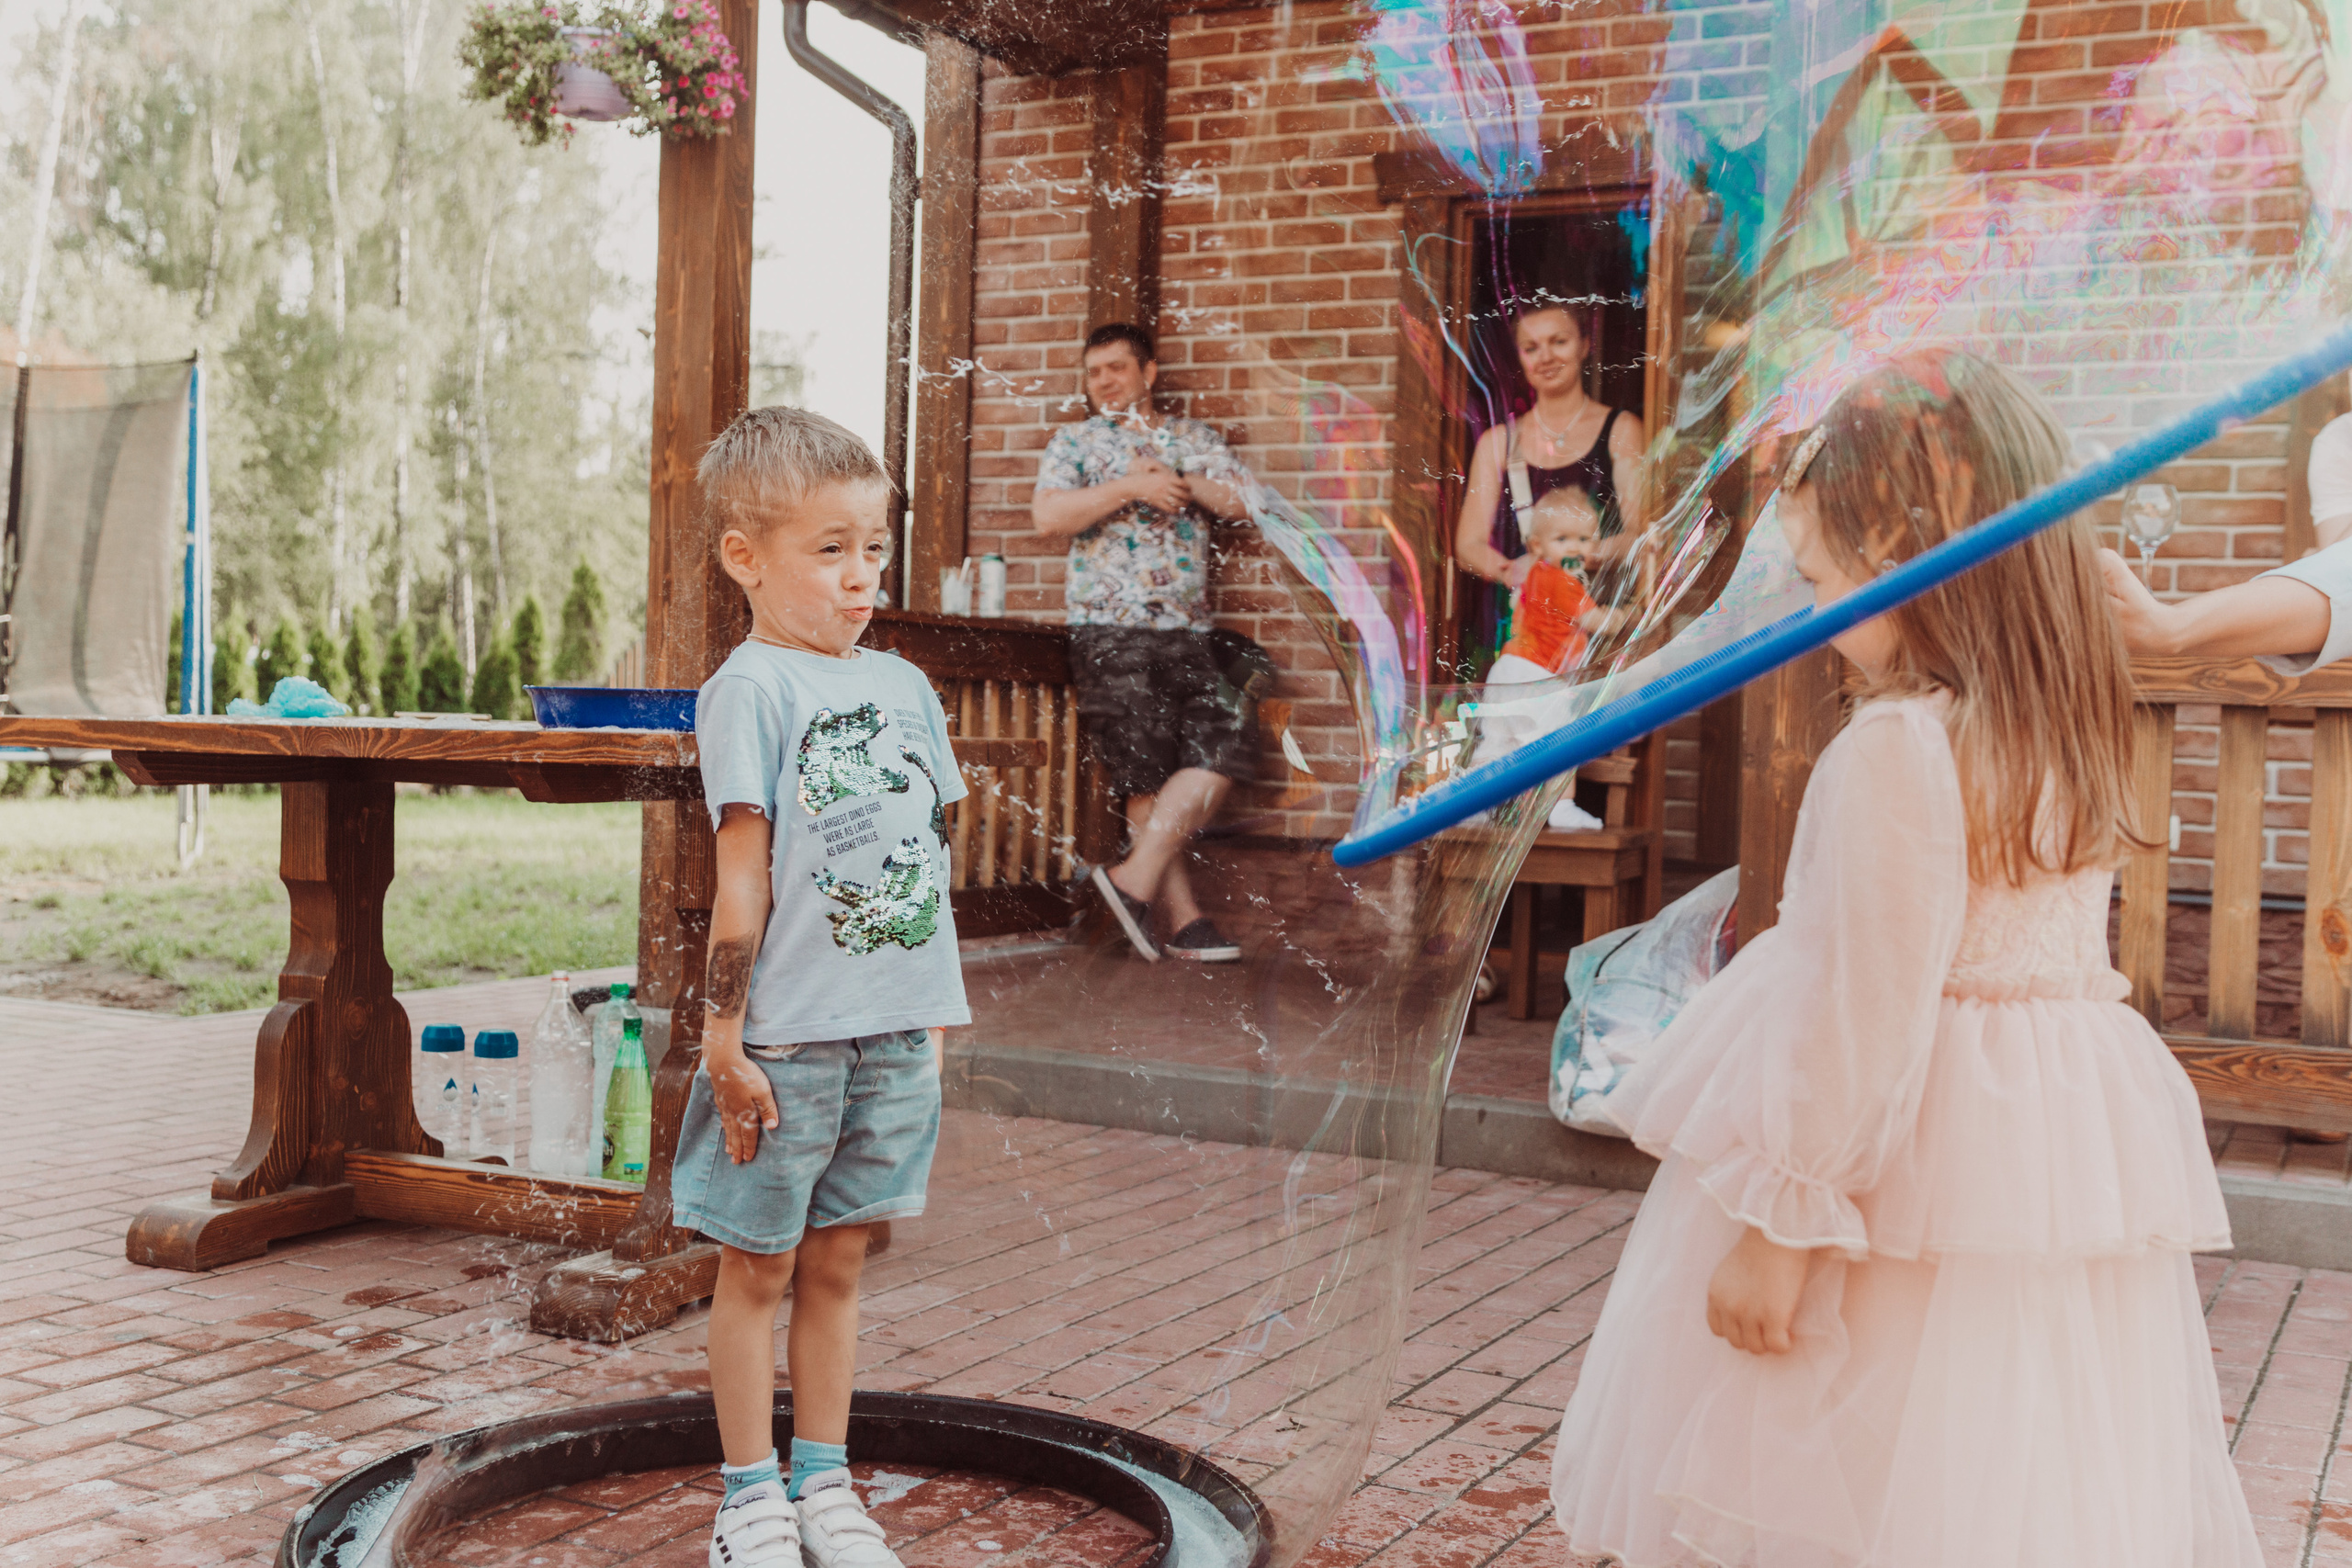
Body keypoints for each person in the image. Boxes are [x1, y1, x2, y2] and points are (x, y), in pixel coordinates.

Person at [1552, 350, 2258, 1568]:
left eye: (1826, 577)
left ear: (1913, 557)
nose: (1815, 611)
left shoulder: (1897, 748)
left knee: (1844, 1450)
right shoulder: (2067, 737)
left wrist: (1783, 1226)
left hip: (1882, 1170)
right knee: (1991, 1462)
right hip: (2021, 1165)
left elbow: (1861, 1012)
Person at [678, 406, 969, 1568]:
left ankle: (825, 1485)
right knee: (757, 1267)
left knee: (842, 1262)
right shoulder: (750, 689)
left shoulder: (904, 685)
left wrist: (932, 1015)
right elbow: (739, 880)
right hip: (786, 1042)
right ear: (745, 557)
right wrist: (722, 1038)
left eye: (875, 548)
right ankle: (749, 1498)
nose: (861, 576)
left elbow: (925, 857)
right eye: (831, 549)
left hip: (893, 1035)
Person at [1032, 321, 1257, 963]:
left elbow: (1242, 501)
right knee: (1145, 774)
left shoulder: (1191, 438)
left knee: (1226, 750)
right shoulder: (1076, 441)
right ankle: (1184, 922)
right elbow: (1048, 515)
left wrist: (1176, 476)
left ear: (1148, 372)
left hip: (1189, 631)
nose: (1103, 380)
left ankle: (1130, 882)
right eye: (1093, 371)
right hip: (1109, 629)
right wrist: (1132, 486)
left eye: (1117, 367)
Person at [2100, 400, 2352, 671]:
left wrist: (2170, 627)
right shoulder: (2339, 439)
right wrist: (2169, 627)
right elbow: (2338, 566)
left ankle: (2171, 627)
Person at [1453, 299, 1645, 604]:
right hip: (1523, 621)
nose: (1545, 357)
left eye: (1559, 342)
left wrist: (1569, 557)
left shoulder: (1622, 429)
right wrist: (1512, 572)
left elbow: (1640, 534)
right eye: (1531, 348)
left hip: (1599, 615)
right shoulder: (1497, 442)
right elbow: (1468, 545)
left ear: (1585, 345)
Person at [1471, 484, 1622, 831]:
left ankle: (1473, 806)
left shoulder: (1535, 575)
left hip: (1507, 670)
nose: (1574, 547)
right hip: (1536, 675)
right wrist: (1622, 615)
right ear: (1538, 546)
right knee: (1559, 742)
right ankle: (1562, 807)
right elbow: (1597, 622)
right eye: (1562, 539)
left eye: (1583, 539)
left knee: (1497, 744)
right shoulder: (1564, 583)